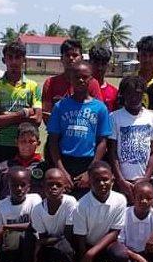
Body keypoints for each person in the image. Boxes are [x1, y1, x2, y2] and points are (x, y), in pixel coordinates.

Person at [47, 62, 112, 197]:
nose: (81, 80)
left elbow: (102, 142)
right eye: (77, 77)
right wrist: (61, 171)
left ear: (91, 79)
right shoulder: (60, 106)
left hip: (88, 162)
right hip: (64, 162)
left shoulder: (100, 108)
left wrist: (90, 171)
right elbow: (53, 140)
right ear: (71, 78)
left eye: (85, 77)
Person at [73, 161, 127, 262]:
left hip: (107, 244)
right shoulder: (81, 206)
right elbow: (80, 238)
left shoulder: (120, 200)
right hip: (87, 246)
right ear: (89, 182)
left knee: (121, 255)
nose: (102, 183)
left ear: (113, 179)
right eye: (97, 180)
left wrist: (91, 253)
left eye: (105, 179)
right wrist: (84, 260)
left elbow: (115, 232)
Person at [0, 41, 42, 167]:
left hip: (25, 146)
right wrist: (23, 113)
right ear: (4, 60)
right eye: (10, 57)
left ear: (24, 60)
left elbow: (37, 120)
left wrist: (6, 116)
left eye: (18, 57)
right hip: (1, 144)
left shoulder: (33, 86)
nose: (14, 62)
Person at [108, 76, 153, 201]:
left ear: (143, 94)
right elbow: (112, 151)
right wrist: (120, 180)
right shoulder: (114, 117)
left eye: (137, 93)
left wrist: (146, 177)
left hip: (145, 180)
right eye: (129, 93)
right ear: (122, 94)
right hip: (121, 181)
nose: (133, 97)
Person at [29, 168, 79, 262]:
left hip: (67, 247)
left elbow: (68, 236)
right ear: (43, 186)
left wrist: (45, 242)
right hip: (49, 248)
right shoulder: (37, 210)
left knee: (63, 249)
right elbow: (43, 239)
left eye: (58, 184)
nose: (54, 188)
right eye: (50, 184)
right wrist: (43, 243)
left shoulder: (70, 203)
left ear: (65, 187)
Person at [0, 167, 40, 262]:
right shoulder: (0, 206)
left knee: (27, 235)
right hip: (11, 250)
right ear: (8, 186)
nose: (19, 189)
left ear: (29, 187)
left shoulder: (35, 200)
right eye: (14, 185)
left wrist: (7, 227)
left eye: (22, 185)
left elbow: (35, 226)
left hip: (32, 248)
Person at [41, 39, 102, 116]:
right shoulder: (50, 83)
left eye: (75, 55)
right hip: (57, 127)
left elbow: (98, 111)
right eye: (67, 55)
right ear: (61, 58)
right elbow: (46, 113)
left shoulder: (92, 83)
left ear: (82, 58)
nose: (71, 58)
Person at [0, 122, 46, 196]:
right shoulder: (4, 166)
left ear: (38, 143)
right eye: (23, 141)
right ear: (16, 142)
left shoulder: (44, 166)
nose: (27, 145)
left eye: (31, 141)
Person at [88, 46, 118, 111]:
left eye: (103, 64)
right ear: (89, 63)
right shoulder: (80, 89)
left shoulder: (114, 92)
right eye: (96, 63)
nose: (100, 68)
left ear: (108, 65)